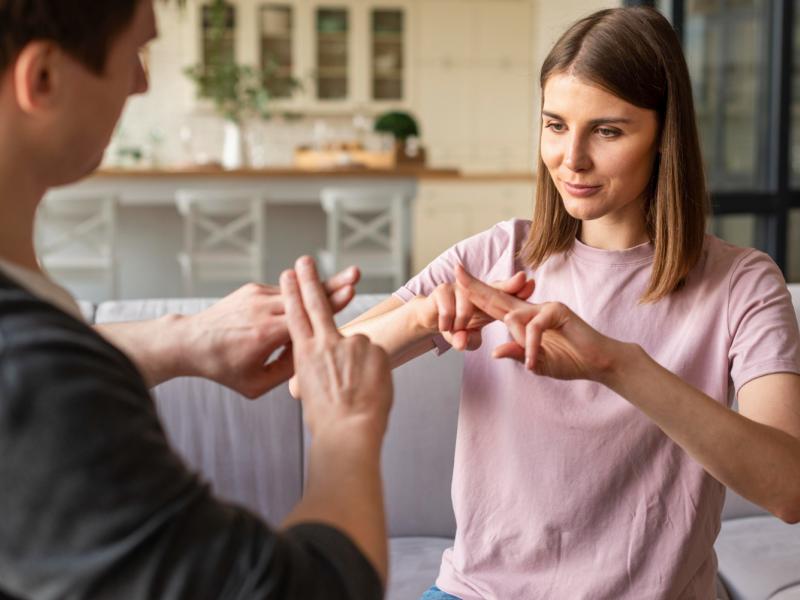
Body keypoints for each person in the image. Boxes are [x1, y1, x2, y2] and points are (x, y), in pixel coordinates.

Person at [337, 6, 800, 599]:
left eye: (608, 131)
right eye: (555, 125)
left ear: (665, 136)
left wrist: (616, 365)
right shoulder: (497, 256)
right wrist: (424, 315)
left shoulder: (742, 284)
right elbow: (311, 379)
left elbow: (788, 490)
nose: (571, 158)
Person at [0, 1, 392, 598]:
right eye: (135, 51)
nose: (143, 81)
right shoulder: (45, 384)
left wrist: (181, 339)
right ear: (43, 78)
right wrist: (345, 424)